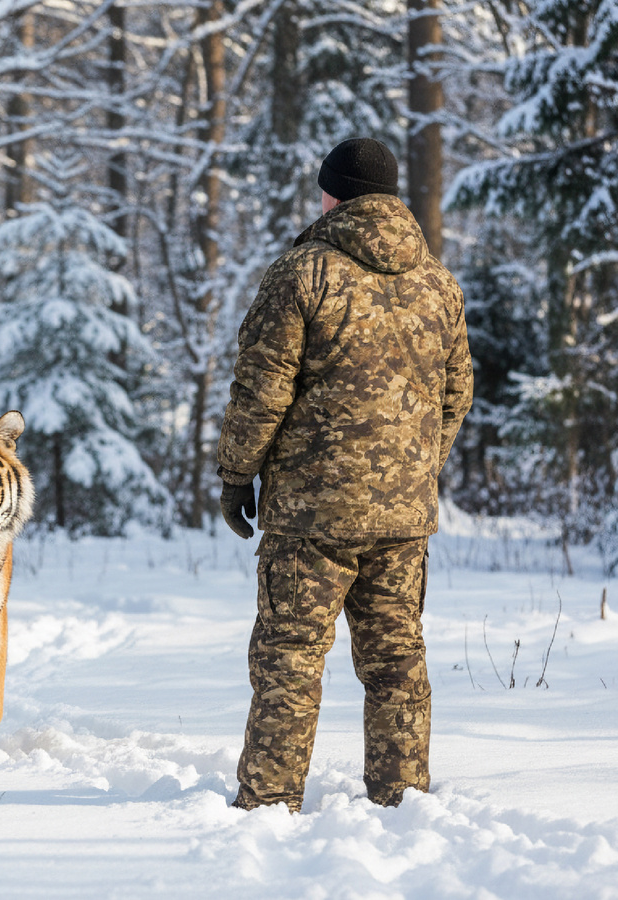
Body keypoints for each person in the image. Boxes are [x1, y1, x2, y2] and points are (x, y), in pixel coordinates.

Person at [216, 137, 473, 811]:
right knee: (397, 663)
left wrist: (237, 475)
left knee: (290, 658)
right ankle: (403, 801)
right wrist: (415, 469)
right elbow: (457, 395)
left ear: (333, 195)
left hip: (310, 517)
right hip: (403, 517)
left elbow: (261, 390)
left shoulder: (302, 273)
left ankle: (269, 804)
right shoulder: (439, 284)